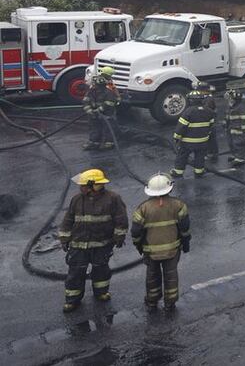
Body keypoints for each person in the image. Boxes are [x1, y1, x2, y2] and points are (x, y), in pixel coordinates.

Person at [59, 169, 128, 312]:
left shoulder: (112, 199)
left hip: (102, 244)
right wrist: (64, 238)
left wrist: (119, 237)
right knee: (75, 273)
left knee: (101, 270)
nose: (80, 187)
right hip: (78, 244)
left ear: (94, 186)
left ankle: (101, 292)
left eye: (84, 185)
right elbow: (68, 219)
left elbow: (121, 220)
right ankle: (72, 300)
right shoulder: (77, 199)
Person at [131, 173, 190, 311]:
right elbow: (185, 228)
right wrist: (186, 243)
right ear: (169, 189)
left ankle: (152, 302)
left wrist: (138, 245)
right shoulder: (179, 205)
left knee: (152, 276)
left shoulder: (142, 208)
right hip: (173, 250)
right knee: (171, 275)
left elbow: (135, 232)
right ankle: (170, 303)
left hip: (150, 251)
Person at [171, 92, 214, 178]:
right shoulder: (209, 111)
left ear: (191, 100)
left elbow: (181, 127)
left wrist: (176, 137)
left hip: (188, 142)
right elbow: (211, 125)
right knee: (200, 157)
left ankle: (178, 172)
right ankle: (199, 171)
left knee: (182, 156)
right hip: (202, 141)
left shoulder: (188, 111)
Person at [83, 67, 121, 151]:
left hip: (107, 113)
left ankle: (108, 143)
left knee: (108, 127)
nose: (95, 86)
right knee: (94, 126)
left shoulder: (108, 90)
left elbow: (109, 103)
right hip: (95, 112)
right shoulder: (92, 90)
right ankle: (94, 142)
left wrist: (98, 110)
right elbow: (86, 100)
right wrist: (89, 111)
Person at [193, 81, 219, 167]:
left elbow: (207, 111)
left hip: (209, 121)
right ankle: (210, 152)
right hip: (207, 120)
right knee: (208, 137)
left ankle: (212, 153)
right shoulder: (206, 97)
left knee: (210, 137)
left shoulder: (209, 99)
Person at [224, 89, 245, 167]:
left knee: (239, 143)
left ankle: (240, 158)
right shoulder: (231, 105)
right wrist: (225, 123)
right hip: (231, 127)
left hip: (239, 128)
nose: (229, 100)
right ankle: (234, 155)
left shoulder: (242, 106)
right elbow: (227, 115)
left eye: (230, 99)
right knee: (231, 142)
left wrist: (243, 130)